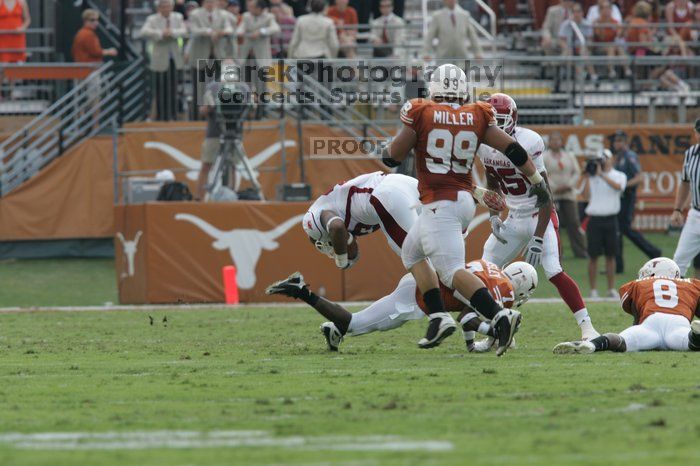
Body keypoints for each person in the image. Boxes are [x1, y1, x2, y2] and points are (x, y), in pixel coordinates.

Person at [382, 63, 551, 355]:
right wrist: (536, 179)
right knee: (412, 252)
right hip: (462, 198)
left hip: (441, 202)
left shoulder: (421, 111)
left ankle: (500, 315)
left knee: (450, 272)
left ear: (434, 88)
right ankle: (438, 317)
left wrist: (387, 148)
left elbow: (392, 158)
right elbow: (513, 149)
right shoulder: (477, 114)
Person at [478, 94, 599, 342]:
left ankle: (587, 327)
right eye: (491, 120)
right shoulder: (483, 142)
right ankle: (500, 331)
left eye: (500, 119)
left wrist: (538, 236)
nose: (495, 126)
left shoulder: (528, 141)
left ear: (512, 119)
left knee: (553, 270)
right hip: (513, 216)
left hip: (538, 214)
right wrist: (493, 215)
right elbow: (492, 179)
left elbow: (545, 193)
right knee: (486, 268)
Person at [265, 260, 538, 353]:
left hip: (423, 279)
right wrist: (493, 334)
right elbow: (469, 319)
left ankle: (333, 330)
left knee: (355, 323)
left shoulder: (489, 266)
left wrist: (471, 343)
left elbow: (469, 309)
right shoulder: (506, 292)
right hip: (421, 297)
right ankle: (303, 292)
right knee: (355, 324)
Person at [553, 257, 700, 354]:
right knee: (689, 343)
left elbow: (637, 316)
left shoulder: (638, 284)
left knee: (621, 341)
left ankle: (593, 345)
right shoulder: (691, 284)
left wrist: (637, 330)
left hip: (651, 322)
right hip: (679, 322)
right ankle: (695, 335)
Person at [301, 172, 420, 268]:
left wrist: (340, 260)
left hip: (388, 193)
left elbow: (336, 227)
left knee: (415, 257)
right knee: (432, 248)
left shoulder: (316, 219)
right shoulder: (353, 220)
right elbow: (348, 245)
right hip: (407, 184)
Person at [195, 62, 251, 200]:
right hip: (214, 132)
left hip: (234, 132)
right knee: (206, 165)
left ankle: (231, 195)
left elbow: (251, 111)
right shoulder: (213, 87)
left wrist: (244, 106)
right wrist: (210, 107)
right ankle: (198, 199)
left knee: (233, 165)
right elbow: (202, 110)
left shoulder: (243, 88)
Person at [613, 131, 661, 274]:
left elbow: (639, 177)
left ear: (626, 142)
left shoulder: (629, 156)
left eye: (621, 141)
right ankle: (618, 265)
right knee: (619, 231)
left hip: (627, 196)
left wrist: (624, 185)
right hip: (619, 197)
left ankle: (653, 251)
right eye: (616, 141)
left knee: (624, 229)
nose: (618, 144)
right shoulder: (617, 157)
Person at [582, 149, 627, 298]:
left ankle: (610, 288)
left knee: (611, 255)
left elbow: (618, 187)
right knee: (593, 256)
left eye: (605, 158)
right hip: (594, 220)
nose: (602, 161)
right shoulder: (593, 176)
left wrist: (601, 175)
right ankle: (593, 289)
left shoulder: (619, 175)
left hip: (611, 219)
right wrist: (588, 176)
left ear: (611, 159)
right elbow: (585, 196)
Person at [140, 0, 188, 121]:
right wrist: (161, 33)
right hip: (159, 60)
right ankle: (161, 117)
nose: (166, 8)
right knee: (160, 89)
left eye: (168, 6)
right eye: (163, 6)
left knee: (173, 88)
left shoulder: (178, 17)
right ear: (159, 8)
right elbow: (144, 31)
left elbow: (184, 31)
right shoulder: (152, 19)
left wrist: (172, 33)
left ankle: (173, 115)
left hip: (174, 59)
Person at [543, 131, 588, 259]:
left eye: (558, 140)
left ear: (562, 142)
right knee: (553, 225)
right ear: (549, 142)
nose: (556, 142)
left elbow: (577, 172)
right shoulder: (544, 157)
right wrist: (554, 187)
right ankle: (556, 254)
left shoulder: (569, 155)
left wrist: (569, 184)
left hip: (568, 194)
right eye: (553, 140)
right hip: (552, 195)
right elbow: (543, 173)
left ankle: (581, 251)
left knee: (574, 222)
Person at [187, 0, 234, 118]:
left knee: (216, 89)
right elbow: (194, 30)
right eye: (208, 1)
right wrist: (209, 32)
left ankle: (215, 117)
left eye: (212, 1)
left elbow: (229, 29)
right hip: (200, 58)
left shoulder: (223, 14)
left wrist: (220, 32)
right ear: (203, 3)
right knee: (198, 89)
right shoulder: (195, 14)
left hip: (217, 58)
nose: (210, 4)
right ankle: (196, 118)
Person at [671, 119, 700, 276]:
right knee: (678, 261)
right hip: (695, 214)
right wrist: (677, 209)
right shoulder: (690, 154)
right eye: (699, 132)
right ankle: (674, 299)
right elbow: (684, 182)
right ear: (695, 134)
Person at [558, 2, 597, 81]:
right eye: (574, 12)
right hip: (569, 48)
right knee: (569, 54)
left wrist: (584, 46)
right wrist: (566, 47)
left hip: (582, 48)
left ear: (582, 13)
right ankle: (582, 73)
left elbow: (590, 39)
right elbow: (561, 40)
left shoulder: (587, 24)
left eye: (578, 11)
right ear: (571, 13)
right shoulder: (566, 24)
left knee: (585, 53)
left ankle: (593, 76)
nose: (577, 14)